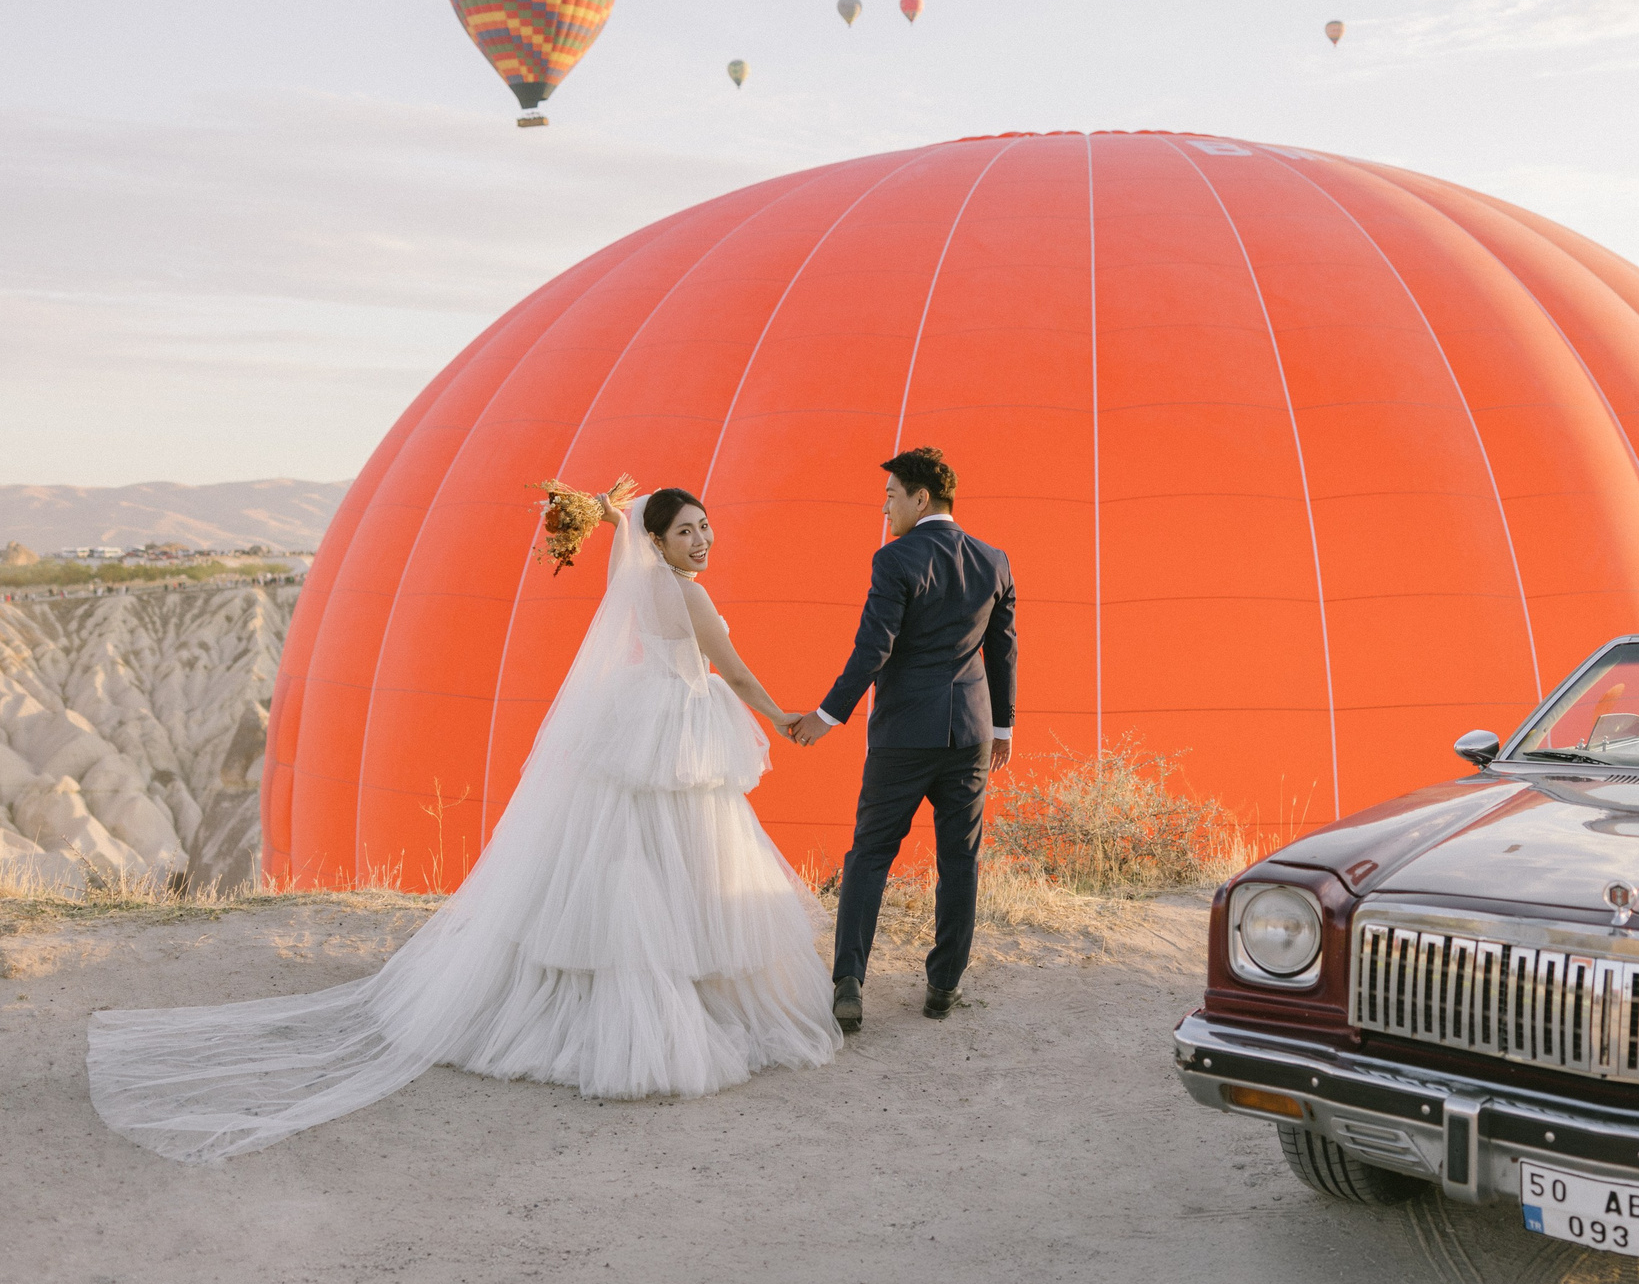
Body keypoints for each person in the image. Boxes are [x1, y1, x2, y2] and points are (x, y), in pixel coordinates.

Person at [87, 482, 841, 1163]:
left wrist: (618, 523)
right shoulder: (690, 599)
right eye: (685, 532)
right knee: (691, 861)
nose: (701, 541)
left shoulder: (638, 585)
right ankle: (678, 1007)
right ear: (663, 543)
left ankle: (606, 997)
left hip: (638, 721)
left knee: (626, 858)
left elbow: (623, 582)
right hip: (676, 729)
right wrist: (782, 718)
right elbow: (734, 672)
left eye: (707, 527)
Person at [787, 448, 1016, 1032]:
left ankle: (848, 983)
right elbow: (1003, 650)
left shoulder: (894, 560)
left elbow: (874, 649)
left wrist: (826, 715)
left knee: (870, 854)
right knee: (959, 859)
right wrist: (1001, 727)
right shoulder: (995, 560)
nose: (885, 506)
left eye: (892, 495)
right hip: (969, 735)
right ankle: (942, 988)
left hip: (902, 736)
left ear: (921, 499)